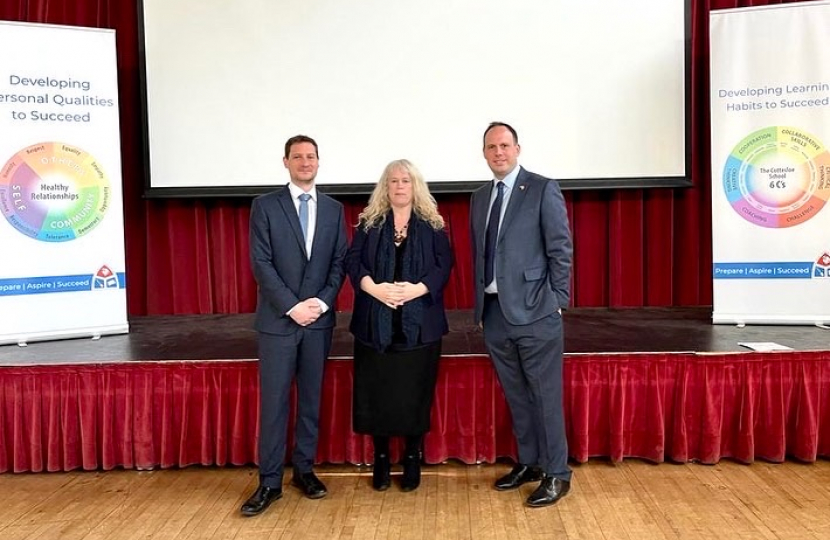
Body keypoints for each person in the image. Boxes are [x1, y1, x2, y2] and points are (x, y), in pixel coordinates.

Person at [241, 135, 347, 516]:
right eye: (298, 156)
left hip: (318, 322)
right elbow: (261, 265)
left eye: (311, 156)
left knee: (311, 403)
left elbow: (339, 263)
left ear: (319, 162)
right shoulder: (265, 206)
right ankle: (269, 482)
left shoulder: (334, 210)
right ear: (285, 161)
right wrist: (292, 306)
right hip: (279, 323)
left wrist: (318, 304)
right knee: (274, 405)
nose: (305, 162)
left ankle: (304, 469)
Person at [469, 122, 574, 507]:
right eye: (491, 147)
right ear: (484, 153)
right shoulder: (480, 196)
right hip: (495, 313)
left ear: (518, 149)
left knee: (545, 396)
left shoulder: (542, 188)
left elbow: (560, 248)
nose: (499, 152)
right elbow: (479, 254)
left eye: (505, 145)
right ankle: (529, 462)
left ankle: (557, 474)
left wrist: (556, 299)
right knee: (517, 396)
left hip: (536, 312)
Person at [346, 159, 454, 492]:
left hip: (420, 326)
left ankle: (411, 457)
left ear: (415, 185)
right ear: (385, 187)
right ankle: (380, 458)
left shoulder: (432, 224)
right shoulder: (369, 223)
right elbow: (353, 261)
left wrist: (418, 289)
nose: (400, 186)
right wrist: (373, 287)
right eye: (393, 181)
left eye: (405, 180)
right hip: (374, 325)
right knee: (377, 396)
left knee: (414, 396)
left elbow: (443, 263)